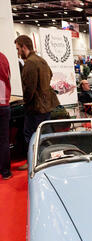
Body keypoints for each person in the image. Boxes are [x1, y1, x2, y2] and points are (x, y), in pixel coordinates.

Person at [15, 35, 59, 170]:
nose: (17, 52)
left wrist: (26, 102)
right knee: (44, 134)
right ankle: (47, 159)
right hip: (46, 104)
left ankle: (32, 162)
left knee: (31, 135)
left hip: (35, 106)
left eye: (18, 49)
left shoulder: (30, 63)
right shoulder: (41, 60)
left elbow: (29, 88)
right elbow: (50, 75)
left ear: (24, 47)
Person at [0, 51, 12, 180]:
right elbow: (8, 78)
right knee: (4, 140)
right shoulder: (3, 57)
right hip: (4, 103)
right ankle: (6, 172)